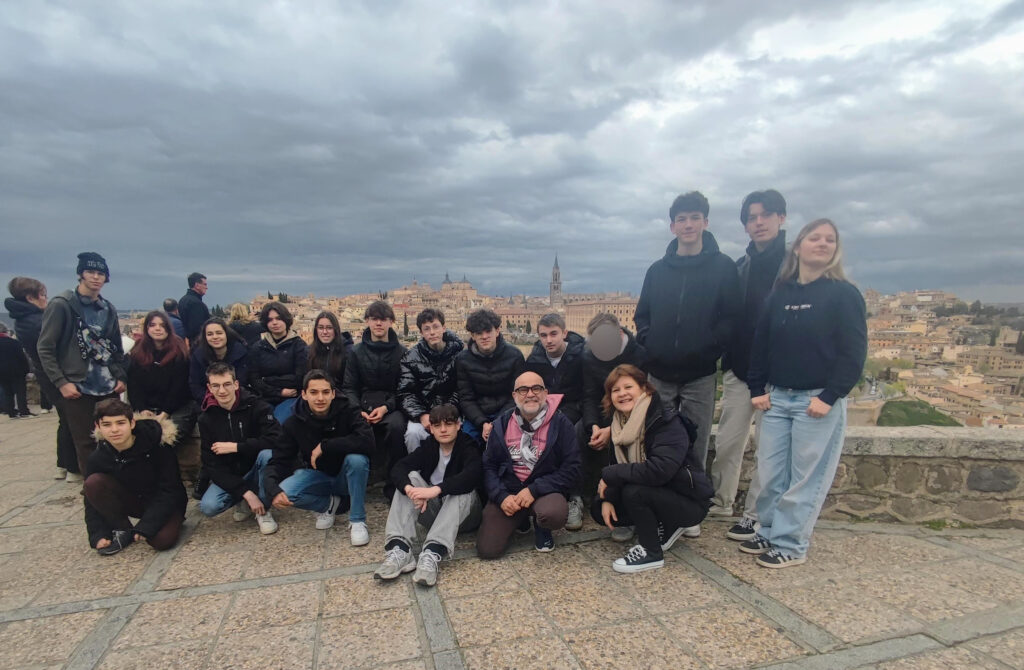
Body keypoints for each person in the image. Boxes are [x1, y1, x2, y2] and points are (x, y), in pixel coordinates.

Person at [740, 219, 867, 568]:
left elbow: (854, 352)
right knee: (770, 474)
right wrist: (756, 387)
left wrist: (830, 396)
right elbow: (761, 343)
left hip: (816, 400)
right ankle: (768, 530)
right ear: (798, 247)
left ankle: (791, 544)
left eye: (830, 239)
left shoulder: (844, 294)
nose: (823, 243)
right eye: (815, 238)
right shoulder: (781, 293)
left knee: (805, 478)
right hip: (777, 398)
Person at [635, 191, 742, 479]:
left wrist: (710, 348)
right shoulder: (657, 271)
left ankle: (693, 500)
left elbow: (732, 317)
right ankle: (659, 497)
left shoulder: (724, 268)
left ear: (705, 222)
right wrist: (650, 343)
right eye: (682, 219)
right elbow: (642, 315)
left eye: (695, 218)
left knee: (696, 442)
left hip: (700, 373)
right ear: (673, 227)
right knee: (656, 440)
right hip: (659, 371)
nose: (688, 224)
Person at [710, 190, 788, 542]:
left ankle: (755, 515)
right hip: (740, 370)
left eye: (765, 215)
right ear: (745, 225)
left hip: (780, 374)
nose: (758, 223)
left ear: (781, 218)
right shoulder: (740, 267)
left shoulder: (795, 265)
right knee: (728, 442)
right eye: (752, 218)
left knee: (770, 449)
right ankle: (720, 502)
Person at [592, 365, 713, 573]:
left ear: (644, 388)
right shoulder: (619, 425)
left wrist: (609, 476)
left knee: (634, 493)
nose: (622, 394)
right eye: (615, 390)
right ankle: (666, 525)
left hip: (689, 500)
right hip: (661, 492)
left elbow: (660, 470)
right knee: (600, 509)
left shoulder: (665, 420)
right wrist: (608, 498)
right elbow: (618, 467)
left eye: (628, 387)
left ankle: (651, 553)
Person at [37, 252, 127, 475]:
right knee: (85, 442)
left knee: (113, 438)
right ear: (81, 274)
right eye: (91, 272)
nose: (96, 277)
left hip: (107, 385)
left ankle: (115, 483)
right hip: (78, 386)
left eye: (100, 273)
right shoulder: (62, 305)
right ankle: (94, 486)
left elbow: (116, 347)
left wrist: (120, 376)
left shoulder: (108, 308)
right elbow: (45, 348)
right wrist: (61, 382)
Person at [374, 404, 482, 586]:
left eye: (448, 424)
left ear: (458, 425)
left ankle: (433, 551)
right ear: (431, 429)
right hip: (435, 515)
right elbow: (399, 468)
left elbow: (471, 475)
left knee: (461, 490)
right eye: (437, 425)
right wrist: (410, 490)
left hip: (466, 516)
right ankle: (401, 549)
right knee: (411, 478)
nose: (443, 430)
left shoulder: (468, 446)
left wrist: (435, 490)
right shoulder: (429, 446)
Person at [477, 371, 580, 558]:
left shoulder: (561, 424)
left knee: (553, 514)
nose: (530, 394)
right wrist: (501, 496)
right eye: (523, 390)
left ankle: (542, 526)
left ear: (546, 393)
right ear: (514, 395)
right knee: (488, 550)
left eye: (536, 388)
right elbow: (489, 465)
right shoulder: (501, 424)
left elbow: (571, 468)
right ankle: (520, 520)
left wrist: (534, 490)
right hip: (509, 491)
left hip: (543, 491)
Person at [265, 370, 375, 545]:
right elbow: (279, 459)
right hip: (318, 476)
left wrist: (325, 446)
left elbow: (368, 441)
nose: (320, 398)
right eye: (314, 392)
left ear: (333, 393)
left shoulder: (349, 410)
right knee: (286, 492)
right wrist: (272, 489)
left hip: (347, 476)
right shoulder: (293, 422)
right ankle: (329, 504)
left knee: (357, 459)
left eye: (325, 392)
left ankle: (357, 520)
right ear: (304, 394)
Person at [83, 399, 187, 555]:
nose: (114, 430)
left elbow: (171, 490)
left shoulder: (158, 446)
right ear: (98, 426)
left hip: (165, 503)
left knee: (162, 541)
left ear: (132, 423)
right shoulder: (98, 456)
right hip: (133, 501)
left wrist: (147, 525)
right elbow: (90, 499)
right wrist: (98, 533)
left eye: (120, 423)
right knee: (93, 483)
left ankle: (168, 523)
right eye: (107, 425)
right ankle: (123, 529)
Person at [580, 312, 647, 542]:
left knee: (628, 442)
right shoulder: (589, 356)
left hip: (635, 415)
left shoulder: (639, 355)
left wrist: (613, 430)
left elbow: (644, 399)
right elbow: (589, 395)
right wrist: (593, 426)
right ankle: (581, 496)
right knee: (578, 431)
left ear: (619, 334)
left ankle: (628, 513)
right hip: (603, 412)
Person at [197, 362, 281, 535]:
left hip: (256, 468)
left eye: (227, 384)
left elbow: (276, 439)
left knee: (267, 455)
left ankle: (264, 510)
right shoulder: (206, 418)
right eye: (216, 386)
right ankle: (244, 499)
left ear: (236, 384)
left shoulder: (257, 406)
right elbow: (211, 464)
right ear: (209, 388)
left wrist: (237, 447)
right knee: (209, 506)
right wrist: (246, 492)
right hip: (233, 474)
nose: (222, 391)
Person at [6, 277, 77, 479]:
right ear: (31, 298)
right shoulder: (37, 320)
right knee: (71, 419)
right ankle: (71, 466)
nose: (46, 299)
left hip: (46, 374)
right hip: (56, 375)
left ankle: (64, 465)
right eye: (43, 295)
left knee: (66, 419)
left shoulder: (25, 318)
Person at [525, 313, 587, 530]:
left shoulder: (581, 356)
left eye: (553, 334)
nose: (549, 340)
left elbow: (588, 392)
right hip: (545, 411)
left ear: (564, 333)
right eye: (544, 335)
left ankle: (575, 497)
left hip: (576, 411)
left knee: (573, 435)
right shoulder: (534, 361)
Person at [341, 300, 407, 500]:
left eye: (383, 319)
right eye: (374, 319)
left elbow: (403, 389)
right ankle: (352, 483)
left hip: (391, 407)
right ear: (367, 321)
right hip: (362, 406)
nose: (379, 323)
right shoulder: (356, 352)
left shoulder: (402, 352)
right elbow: (349, 387)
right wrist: (357, 410)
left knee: (397, 428)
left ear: (391, 322)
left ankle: (394, 484)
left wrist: (386, 408)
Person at [126, 311, 198, 480]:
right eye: (153, 325)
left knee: (166, 435)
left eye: (162, 325)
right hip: (147, 406)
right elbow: (134, 386)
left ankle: (164, 476)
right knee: (139, 433)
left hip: (177, 406)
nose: (158, 329)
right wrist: (142, 409)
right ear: (147, 328)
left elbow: (180, 388)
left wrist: (165, 412)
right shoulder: (138, 352)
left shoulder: (179, 351)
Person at [397, 308, 464, 452]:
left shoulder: (459, 354)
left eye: (435, 327)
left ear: (444, 328)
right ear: (421, 333)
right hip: (424, 413)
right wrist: (422, 415)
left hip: (453, 411)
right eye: (427, 329)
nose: (432, 332)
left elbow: (462, 388)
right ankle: (416, 466)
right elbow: (406, 393)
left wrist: (448, 413)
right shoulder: (410, 358)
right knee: (413, 434)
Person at [455, 308, 525, 443]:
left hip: (507, 412)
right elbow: (466, 397)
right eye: (479, 333)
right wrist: (483, 423)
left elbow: (517, 395)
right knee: (467, 443)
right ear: (473, 336)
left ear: (497, 331)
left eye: (488, 331)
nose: (484, 336)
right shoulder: (463, 360)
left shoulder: (515, 356)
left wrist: (497, 422)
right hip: (476, 415)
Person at [248, 301, 308, 424]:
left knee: (278, 423)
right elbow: (254, 380)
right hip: (266, 398)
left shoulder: (298, 346)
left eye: (278, 318)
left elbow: (300, 377)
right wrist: (279, 392)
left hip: (291, 398)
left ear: (286, 320)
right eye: (270, 320)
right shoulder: (258, 348)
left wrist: (267, 380)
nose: (274, 323)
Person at [189, 317, 249, 403]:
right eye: (210, 334)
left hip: (237, 399)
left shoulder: (240, 352)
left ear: (226, 334)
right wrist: (211, 401)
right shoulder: (198, 356)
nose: (215, 337)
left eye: (219, 333)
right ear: (205, 337)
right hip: (207, 401)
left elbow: (243, 381)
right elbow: (195, 384)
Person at [309, 310, 353, 388]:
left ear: (335, 330)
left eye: (329, 328)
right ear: (316, 330)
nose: (325, 332)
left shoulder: (348, 351)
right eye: (321, 328)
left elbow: (350, 384)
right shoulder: (309, 351)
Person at [0, 323, 32, 418]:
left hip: (1, 372)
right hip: (16, 371)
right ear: (5, 331)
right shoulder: (13, 342)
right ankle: (24, 411)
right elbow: (21, 357)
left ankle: (11, 412)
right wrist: (27, 370)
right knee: (20, 391)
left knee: (7, 392)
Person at [178, 272, 210, 347]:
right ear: (197, 285)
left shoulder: (183, 300)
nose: (206, 287)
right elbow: (197, 328)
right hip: (197, 344)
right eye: (205, 284)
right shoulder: (195, 303)